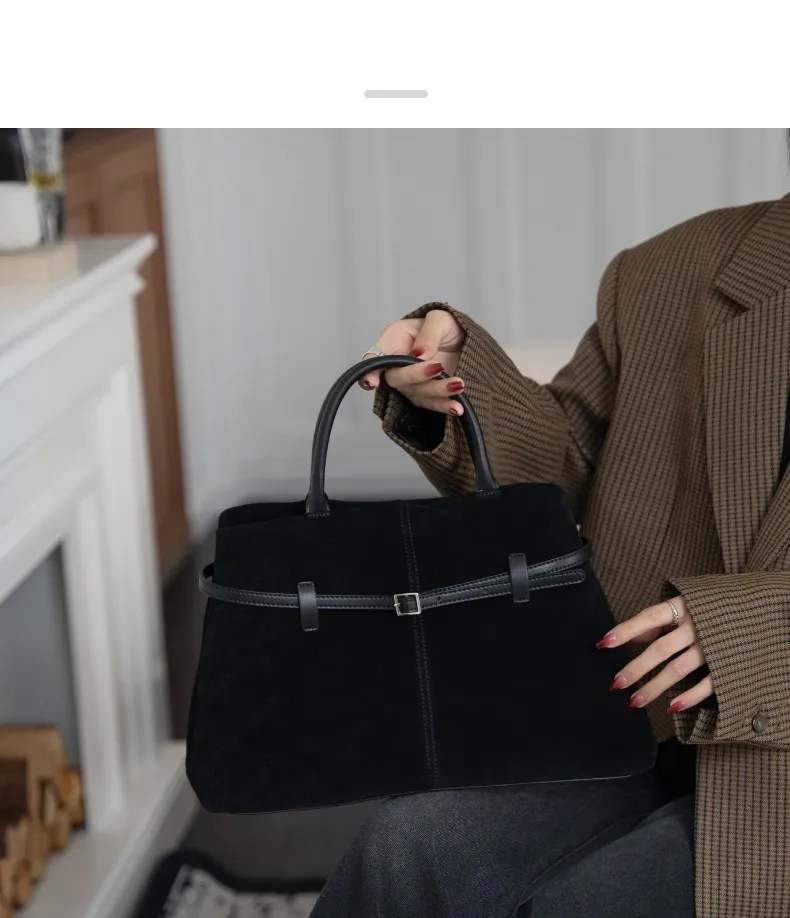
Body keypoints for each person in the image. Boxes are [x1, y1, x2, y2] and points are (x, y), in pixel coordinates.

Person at [310, 190, 790, 918]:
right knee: (406, 846)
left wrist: (752, 632)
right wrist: (452, 386)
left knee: (590, 902)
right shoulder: (668, 272)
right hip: (633, 725)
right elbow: (561, 475)